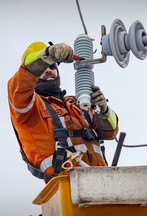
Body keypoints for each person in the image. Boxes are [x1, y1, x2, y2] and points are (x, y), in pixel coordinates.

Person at [8, 41, 119, 182]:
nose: (48, 70)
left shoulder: (76, 103)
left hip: (102, 182)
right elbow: (21, 82)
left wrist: (104, 110)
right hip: (64, 184)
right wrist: (48, 54)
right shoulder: (28, 107)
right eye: (42, 68)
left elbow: (110, 133)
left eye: (52, 66)